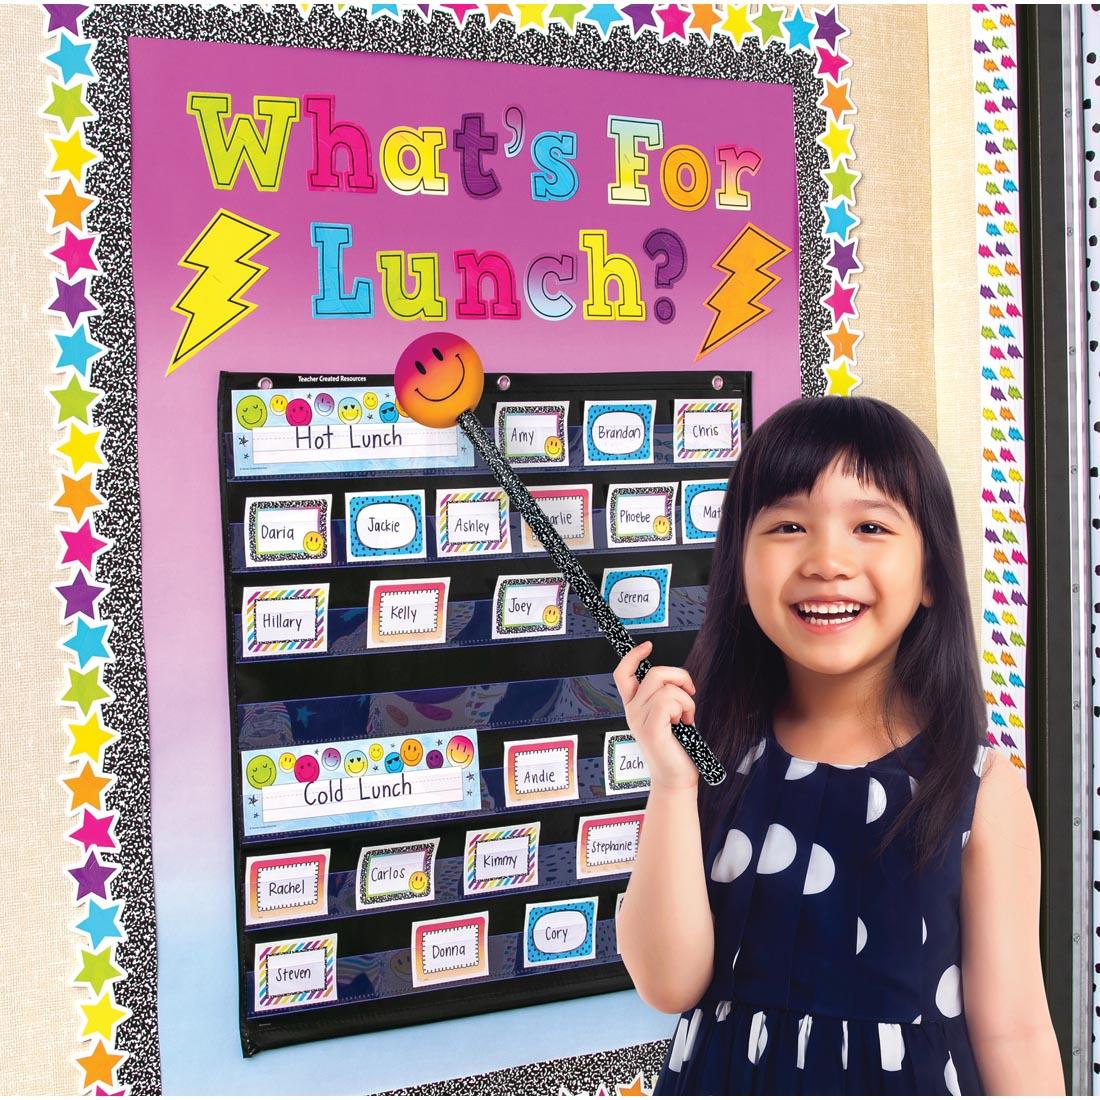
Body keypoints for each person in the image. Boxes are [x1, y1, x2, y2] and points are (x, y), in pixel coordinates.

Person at [613, 396, 1064, 1095]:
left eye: (871, 526)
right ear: (738, 569)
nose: (827, 560)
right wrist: (669, 786)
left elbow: (1015, 1029)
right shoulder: (709, 761)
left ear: (931, 578)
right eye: (789, 524)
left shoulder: (979, 788)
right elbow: (668, 985)